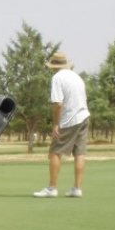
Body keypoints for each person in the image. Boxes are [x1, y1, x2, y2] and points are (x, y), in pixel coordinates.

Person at [33, 52, 90, 198]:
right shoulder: (76, 77)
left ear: (54, 66)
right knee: (79, 153)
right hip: (84, 116)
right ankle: (77, 188)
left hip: (69, 119)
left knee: (54, 152)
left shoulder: (57, 78)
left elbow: (58, 104)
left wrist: (56, 125)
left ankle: (52, 188)